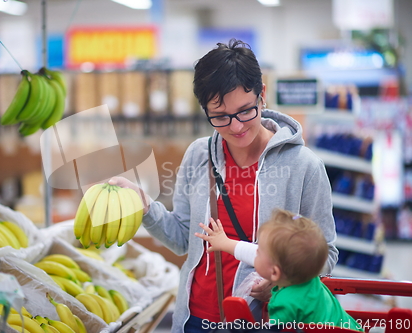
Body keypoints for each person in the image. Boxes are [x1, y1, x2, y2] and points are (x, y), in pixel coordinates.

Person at [109, 39, 338, 333]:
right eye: (220, 117)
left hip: (263, 321)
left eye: (245, 111)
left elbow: (326, 253)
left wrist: (284, 282)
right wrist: (146, 207)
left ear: (262, 95)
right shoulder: (198, 154)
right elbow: (183, 238)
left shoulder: (304, 166)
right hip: (196, 319)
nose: (236, 127)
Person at [195, 210, 362, 332]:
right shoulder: (310, 281)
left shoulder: (284, 303)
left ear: (275, 273)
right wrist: (224, 243)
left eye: (258, 251)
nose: (255, 253)